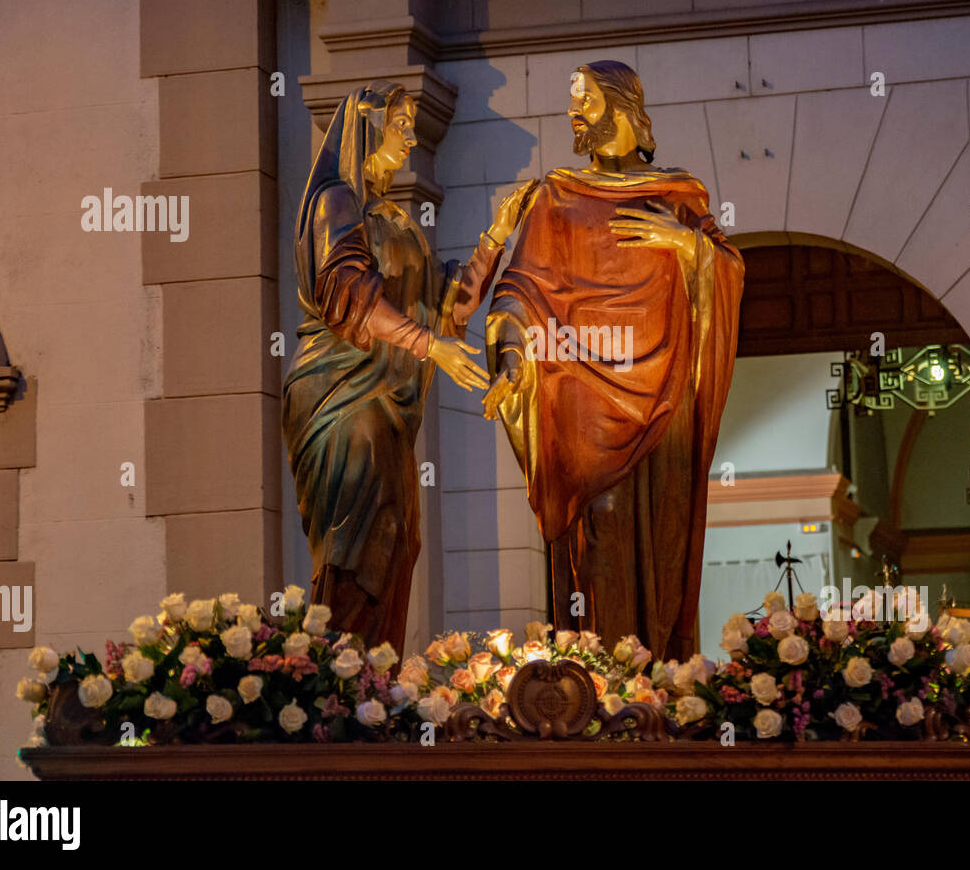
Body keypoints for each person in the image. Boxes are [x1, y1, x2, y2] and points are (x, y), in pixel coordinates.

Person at [481, 61, 743, 661]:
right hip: (581, 405)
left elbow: (727, 271)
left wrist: (686, 244)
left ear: (623, 106)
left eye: (588, 100)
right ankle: (602, 683)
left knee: (662, 537)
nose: (575, 112)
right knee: (600, 529)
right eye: (573, 101)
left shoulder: (676, 193)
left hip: (666, 397)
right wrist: (514, 357)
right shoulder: (555, 197)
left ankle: (661, 684)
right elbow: (519, 291)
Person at [284, 80, 536, 651]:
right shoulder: (334, 203)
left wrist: (497, 233)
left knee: (398, 538)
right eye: (398, 124)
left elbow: (447, 307)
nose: (408, 136)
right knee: (357, 540)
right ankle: (341, 679)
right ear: (367, 128)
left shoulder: (396, 221)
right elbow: (345, 293)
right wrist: (429, 346)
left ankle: (376, 678)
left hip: (386, 406)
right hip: (341, 398)